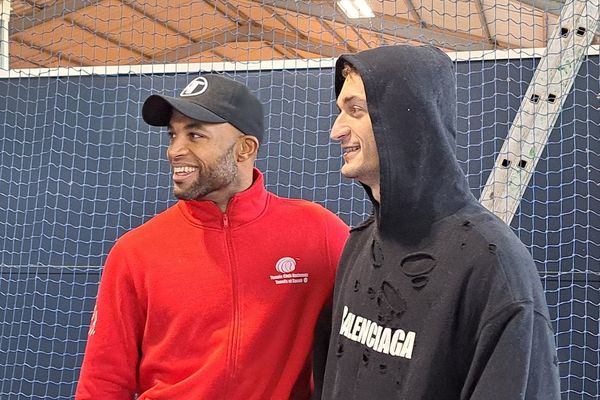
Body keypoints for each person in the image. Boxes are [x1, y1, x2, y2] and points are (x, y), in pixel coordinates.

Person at [75, 74, 349, 400]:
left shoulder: (319, 231)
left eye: (195, 135)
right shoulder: (134, 251)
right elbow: (103, 381)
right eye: (173, 135)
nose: (175, 150)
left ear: (245, 149)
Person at [316, 45, 561, 399]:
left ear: (403, 119)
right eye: (340, 111)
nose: (336, 130)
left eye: (355, 110)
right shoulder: (360, 243)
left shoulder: (493, 268)